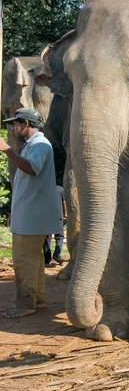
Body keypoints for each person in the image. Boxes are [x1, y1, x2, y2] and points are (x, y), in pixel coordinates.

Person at [0, 108, 62, 318]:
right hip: (28, 213)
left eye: (15, 124)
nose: (14, 129)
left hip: (32, 215)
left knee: (24, 259)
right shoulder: (33, 145)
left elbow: (31, 168)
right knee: (34, 260)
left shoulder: (40, 145)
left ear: (25, 124)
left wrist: (8, 150)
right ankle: (38, 300)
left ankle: (25, 304)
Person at [43, 185, 66, 266]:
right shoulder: (60, 189)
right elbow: (64, 202)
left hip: (46, 216)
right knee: (59, 236)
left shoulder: (44, 188)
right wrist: (65, 214)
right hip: (58, 216)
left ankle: (47, 258)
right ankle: (56, 254)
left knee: (46, 237)